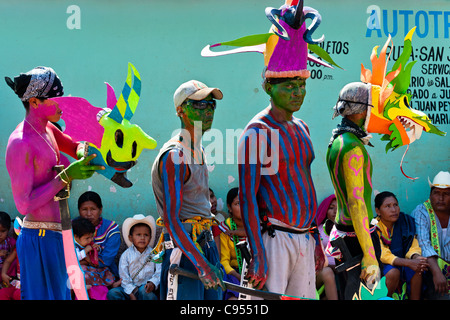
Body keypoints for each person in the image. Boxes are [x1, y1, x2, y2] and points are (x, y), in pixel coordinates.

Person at [4, 67, 103, 299]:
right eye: (57, 100)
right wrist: (67, 176)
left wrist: (91, 145)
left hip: (59, 235)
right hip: (38, 238)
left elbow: (73, 145)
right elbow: (23, 205)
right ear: (35, 102)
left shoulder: (47, 128)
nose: (63, 105)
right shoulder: (20, 142)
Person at [151, 80, 224, 300]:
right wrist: (202, 265)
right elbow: (172, 222)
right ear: (180, 110)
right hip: (185, 252)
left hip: (205, 244)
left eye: (211, 104)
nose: (208, 110)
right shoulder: (175, 156)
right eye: (199, 104)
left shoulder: (198, 149)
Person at [374, 191, 427, 300]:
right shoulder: (374, 228)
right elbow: (382, 254)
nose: (393, 210)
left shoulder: (405, 222)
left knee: (418, 267)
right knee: (393, 272)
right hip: (381, 266)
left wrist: (416, 258)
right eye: (387, 206)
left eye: (395, 205)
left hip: (403, 262)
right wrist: (408, 262)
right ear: (378, 211)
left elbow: (413, 245)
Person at [413, 171, 450, 300]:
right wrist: (437, 273)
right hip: (431, 272)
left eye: (446, 194)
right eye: (436, 193)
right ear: (430, 195)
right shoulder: (422, 212)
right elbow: (423, 244)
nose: (440, 198)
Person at [107, 214, 160, 300]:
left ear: (150, 237)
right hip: (129, 290)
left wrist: (152, 283)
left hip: (146, 288)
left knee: (145, 292)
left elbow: (159, 272)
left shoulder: (155, 254)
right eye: (138, 235)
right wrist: (131, 292)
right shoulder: (125, 255)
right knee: (113, 293)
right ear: (130, 238)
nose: (142, 238)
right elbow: (124, 277)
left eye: (146, 235)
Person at [77, 191, 121, 281]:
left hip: (106, 274)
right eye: (84, 209)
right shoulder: (72, 228)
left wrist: (83, 260)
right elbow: (66, 258)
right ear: (79, 210)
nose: (89, 214)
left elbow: (106, 260)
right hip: (78, 272)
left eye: (93, 209)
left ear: (100, 210)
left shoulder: (111, 228)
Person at [72, 216, 115, 300]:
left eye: (91, 237)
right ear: (76, 237)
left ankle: (105, 290)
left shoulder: (87, 243)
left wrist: (97, 249)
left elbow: (94, 255)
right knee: (82, 273)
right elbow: (74, 258)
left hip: (91, 269)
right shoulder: (73, 246)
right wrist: (85, 251)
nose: (90, 240)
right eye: (87, 238)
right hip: (82, 271)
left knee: (103, 271)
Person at [218, 187, 247, 300]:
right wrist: (238, 276)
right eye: (238, 203)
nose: (244, 208)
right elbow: (224, 261)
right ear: (229, 208)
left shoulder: (257, 227)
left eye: (246, 203)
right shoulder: (225, 229)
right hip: (233, 274)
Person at [315, 195, 338, 300]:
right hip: (321, 271)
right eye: (331, 208)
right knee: (327, 272)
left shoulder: (347, 231)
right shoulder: (318, 230)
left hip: (341, 270)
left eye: (339, 208)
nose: (335, 211)